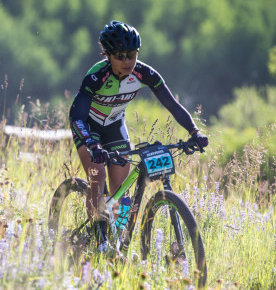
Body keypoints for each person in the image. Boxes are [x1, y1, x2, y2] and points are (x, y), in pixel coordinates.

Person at [69, 20, 208, 252]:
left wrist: (195, 131)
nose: (127, 62)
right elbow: (77, 116)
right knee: (97, 177)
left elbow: (172, 105)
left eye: (132, 55)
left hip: (114, 127)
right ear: (108, 55)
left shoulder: (144, 73)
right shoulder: (96, 76)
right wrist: (91, 144)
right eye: (121, 56)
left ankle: (117, 238)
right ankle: (99, 238)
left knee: (121, 190)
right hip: (88, 128)